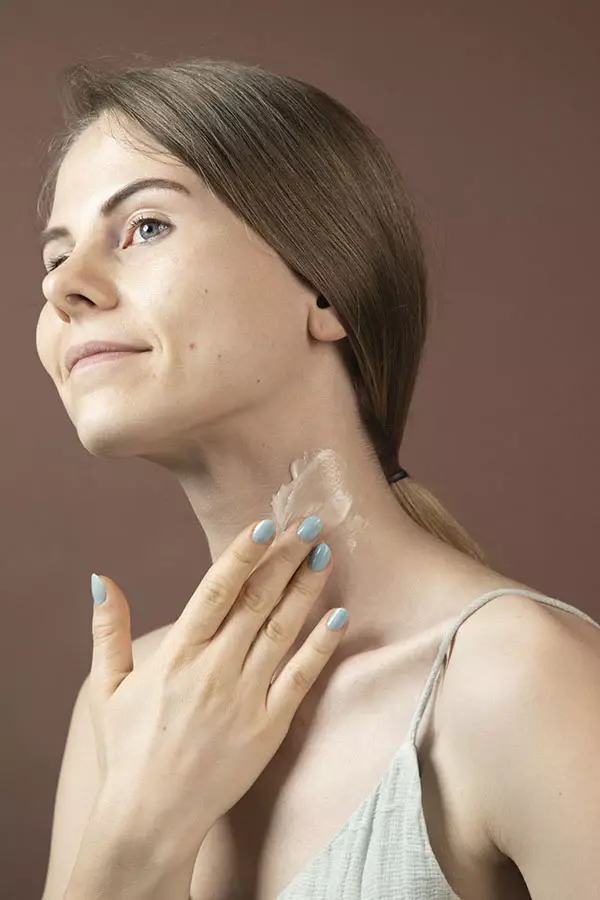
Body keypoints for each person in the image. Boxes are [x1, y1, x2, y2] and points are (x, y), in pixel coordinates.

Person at [36, 59, 600, 900]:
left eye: (145, 227)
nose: (62, 287)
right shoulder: (122, 712)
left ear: (325, 288)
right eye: (54, 254)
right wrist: (134, 841)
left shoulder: (518, 684)